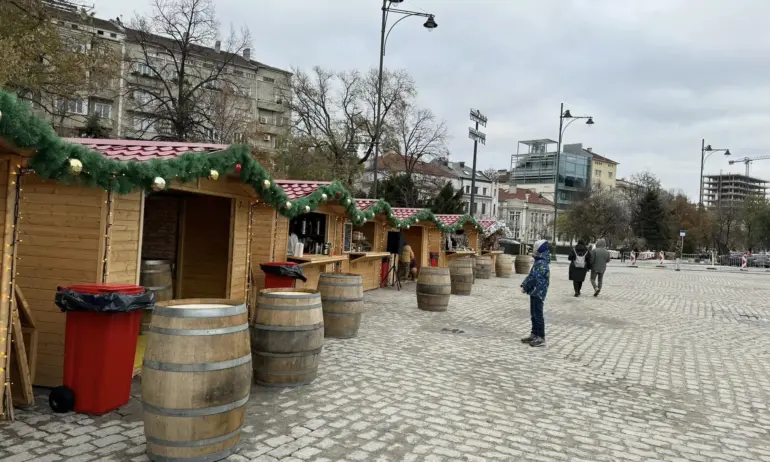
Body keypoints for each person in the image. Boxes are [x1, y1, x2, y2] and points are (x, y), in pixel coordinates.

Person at [520, 239, 550, 347]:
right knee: (533, 314)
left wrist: (525, 286)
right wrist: (525, 284)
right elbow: (532, 275)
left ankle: (541, 337)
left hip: (538, 292)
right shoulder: (539, 261)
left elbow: (534, 277)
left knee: (538, 314)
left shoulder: (542, 263)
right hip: (535, 291)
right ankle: (534, 333)